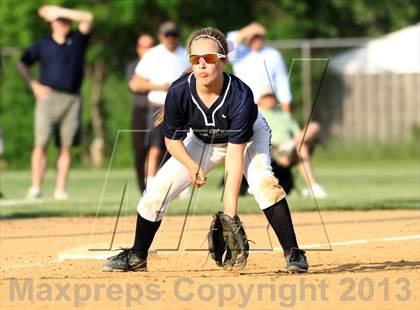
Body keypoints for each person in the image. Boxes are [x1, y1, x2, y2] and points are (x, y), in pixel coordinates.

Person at [103, 27, 308, 273]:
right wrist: (192, 166)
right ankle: (137, 256)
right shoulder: (179, 91)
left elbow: (234, 156)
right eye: (195, 59)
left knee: (263, 183)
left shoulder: (240, 95)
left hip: (249, 138)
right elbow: (172, 141)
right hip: (201, 141)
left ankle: (293, 253)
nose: (201, 65)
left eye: (209, 58)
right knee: (155, 193)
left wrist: (229, 216)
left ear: (223, 62)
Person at [17, 5, 93, 200]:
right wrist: (33, 84)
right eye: (59, 21)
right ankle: (35, 188)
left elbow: (87, 17)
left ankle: (60, 189)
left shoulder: (77, 40)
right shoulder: (42, 44)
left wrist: (61, 12)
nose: (63, 24)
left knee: (65, 146)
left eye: (66, 21)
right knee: (40, 144)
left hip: (72, 99)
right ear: (51, 24)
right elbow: (22, 63)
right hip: (47, 98)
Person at [129, 21, 189, 189]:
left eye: (174, 35)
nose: (171, 38)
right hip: (157, 107)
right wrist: (159, 86)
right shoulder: (152, 55)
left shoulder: (185, 55)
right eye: (167, 35)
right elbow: (135, 84)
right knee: (155, 149)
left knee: (180, 149)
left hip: (180, 108)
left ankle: (181, 186)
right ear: (161, 36)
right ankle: (150, 186)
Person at [258, 87, 327, 199]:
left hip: (290, 147)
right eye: (266, 97)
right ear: (260, 100)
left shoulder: (284, 114)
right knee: (301, 146)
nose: (270, 100)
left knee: (313, 127)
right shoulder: (256, 114)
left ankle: (313, 187)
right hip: (272, 149)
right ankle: (313, 186)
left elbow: (298, 133)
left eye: (271, 97)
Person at [227, 22, 292, 112]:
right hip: (243, 106)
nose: (256, 40)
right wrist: (247, 30)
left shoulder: (273, 54)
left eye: (258, 37)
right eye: (253, 37)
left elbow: (282, 80)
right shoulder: (239, 53)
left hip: (268, 106)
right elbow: (228, 46)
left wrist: (286, 103)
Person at [126, 34, 155, 193]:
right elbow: (135, 86)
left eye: (151, 45)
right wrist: (159, 86)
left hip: (158, 111)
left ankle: (156, 186)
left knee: (160, 149)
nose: (148, 49)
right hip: (140, 112)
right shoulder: (134, 66)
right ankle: (142, 188)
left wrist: (146, 84)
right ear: (138, 49)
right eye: (144, 46)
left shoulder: (160, 63)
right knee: (140, 151)